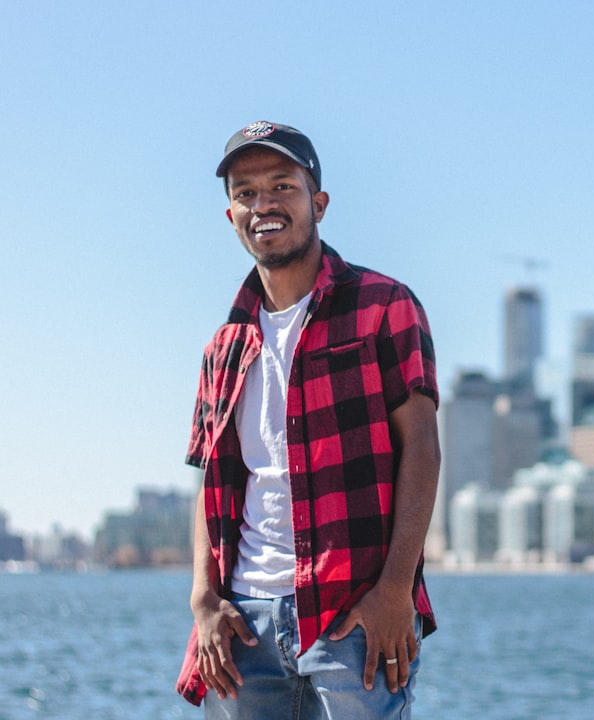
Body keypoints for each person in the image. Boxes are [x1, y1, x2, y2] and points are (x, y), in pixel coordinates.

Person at [176, 121, 440, 719]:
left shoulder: (384, 306)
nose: (263, 204)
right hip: (244, 621)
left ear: (317, 202)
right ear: (231, 216)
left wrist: (396, 589)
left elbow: (422, 449)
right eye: (245, 192)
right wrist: (204, 599)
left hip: (354, 613)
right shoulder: (224, 346)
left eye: (281, 186)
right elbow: (211, 482)